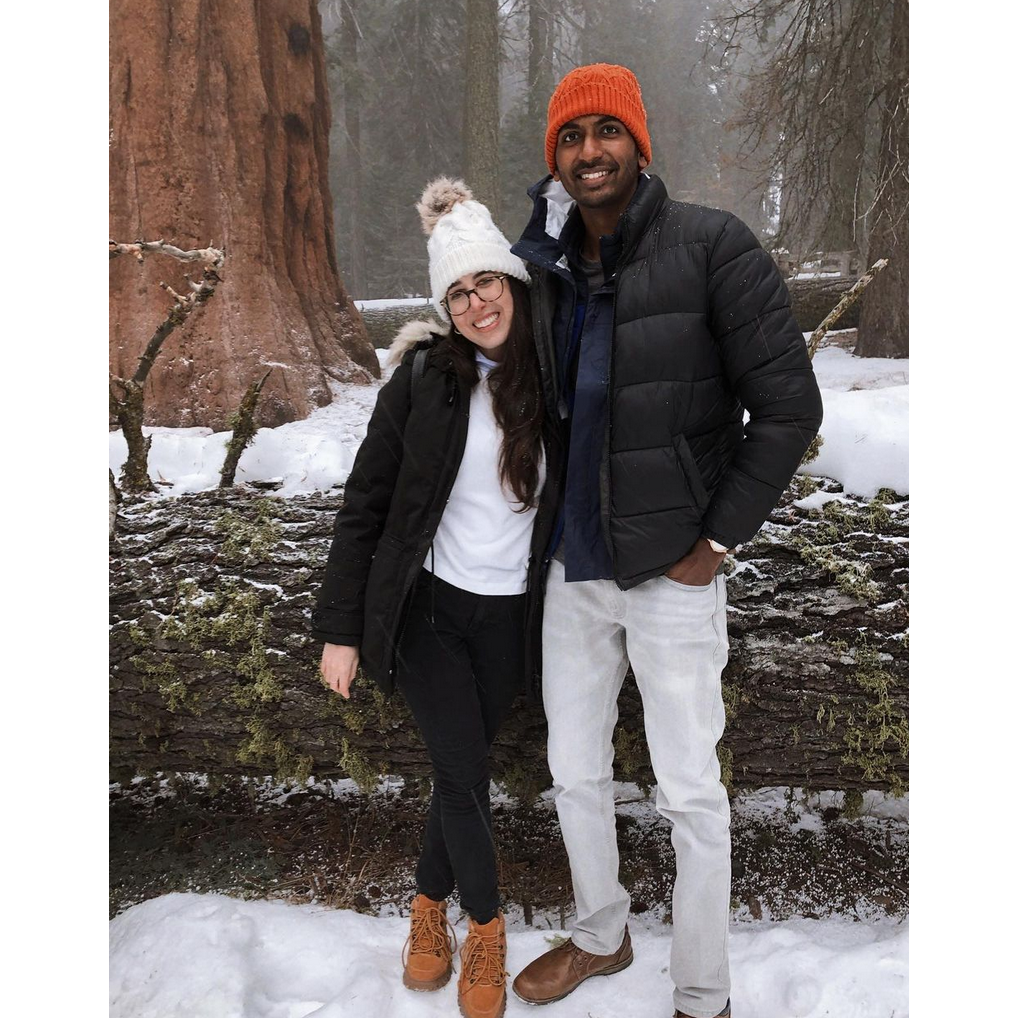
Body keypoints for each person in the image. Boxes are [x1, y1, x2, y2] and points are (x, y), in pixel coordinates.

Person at [508, 64, 824, 1018]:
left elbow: (788, 408)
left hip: (674, 573)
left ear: (640, 146)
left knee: (691, 793)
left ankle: (702, 990)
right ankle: (602, 936)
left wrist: (717, 544)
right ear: (554, 159)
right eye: (572, 137)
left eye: (608, 132)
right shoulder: (547, 266)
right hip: (573, 569)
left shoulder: (713, 247)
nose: (589, 151)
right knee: (573, 769)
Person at [312, 178, 557, 1018]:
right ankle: (481, 929)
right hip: (429, 612)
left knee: (460, 771)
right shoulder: (423, 381)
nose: (477, 301)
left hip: (514, 618)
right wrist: (341, 630)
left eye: (486, 281)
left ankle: (423, 904)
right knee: (463, 774)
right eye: (458, 292)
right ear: (444, 308)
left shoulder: (554, 378)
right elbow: (365, 507)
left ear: (512, 282)